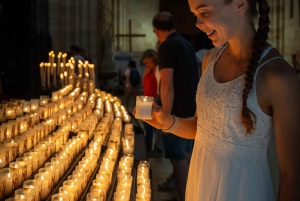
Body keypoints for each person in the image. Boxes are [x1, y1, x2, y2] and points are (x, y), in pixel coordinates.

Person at [137, 0, 300, 200]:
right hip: (202, 178)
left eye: (204, 13)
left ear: (240, 4)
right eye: (195, 14)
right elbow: (203, 128)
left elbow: (291, 175)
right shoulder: (210, 59)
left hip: (242, 188)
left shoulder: (278, 76)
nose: (197, 23)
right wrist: (168, 122)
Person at [152, 12, 199, 201]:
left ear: (156, 31)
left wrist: (166, 119)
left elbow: (167, 83)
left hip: (177, 111)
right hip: (191, 107)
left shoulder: (166, 46)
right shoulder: (185, 43)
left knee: (177, 159)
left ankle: (184, 197)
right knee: (186, 156)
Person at [141, 49, 163, 157]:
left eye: (147, 62)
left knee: (156, 127)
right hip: (146, 100)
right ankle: (148, 148)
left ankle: (158, 148)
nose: (146, 64)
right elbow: (144, 85)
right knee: (147, 127)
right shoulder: (149, 71)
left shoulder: (158, 71)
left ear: (152, 59)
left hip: (154, 101)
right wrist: (144, 75)